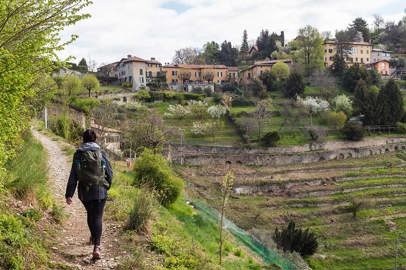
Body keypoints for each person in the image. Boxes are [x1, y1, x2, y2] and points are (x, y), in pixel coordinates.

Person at [65, 129, 113, 260]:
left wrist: (69, 194)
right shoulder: (101, 152)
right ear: (95, 139)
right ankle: (97, 246)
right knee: (98, 216)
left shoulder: (78, 154)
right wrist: (107, 185)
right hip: (100, 190)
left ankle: (93, 237)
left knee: (91, 215)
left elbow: (73, 175)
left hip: (84, 191)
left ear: (83, 139)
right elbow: (109, 172)